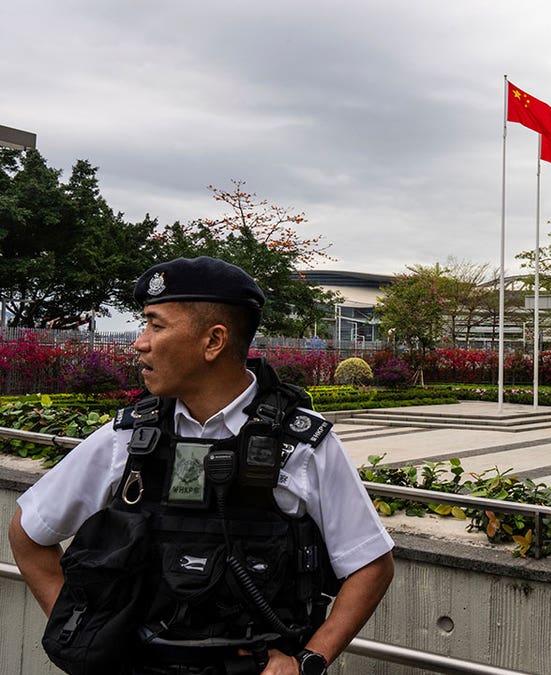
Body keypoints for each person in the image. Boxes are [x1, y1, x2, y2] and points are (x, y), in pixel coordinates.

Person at [8, 257, 395, 675]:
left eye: (156, 326)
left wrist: (307, 661)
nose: (140, 342)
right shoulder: (129, 437)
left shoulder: (300, 443)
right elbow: (28, 532)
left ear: (213, 341)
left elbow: (371, 564)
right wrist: (85, 640)